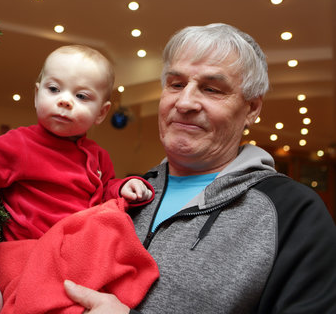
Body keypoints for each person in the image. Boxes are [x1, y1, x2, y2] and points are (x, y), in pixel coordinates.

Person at [64, 23, 336, 313]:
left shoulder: (292, 211)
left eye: (211, 89)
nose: (185, 102)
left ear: (252, 109)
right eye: (176, 84)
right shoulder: (124, 193)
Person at [0, 44, 154, 256]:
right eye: (54, 89)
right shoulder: (20, 143)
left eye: (81, 96)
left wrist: (122, 187)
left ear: (101, 112)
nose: (64, 100)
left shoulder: (99, 156)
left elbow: (105, 189)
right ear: (37, 95)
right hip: (27, 251)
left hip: (77, 251)